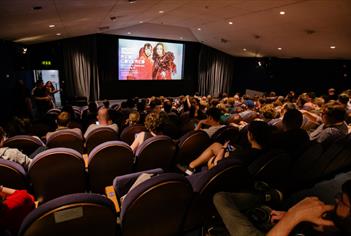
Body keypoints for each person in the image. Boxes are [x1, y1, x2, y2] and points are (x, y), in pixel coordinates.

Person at [213, 179, 351, 236]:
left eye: (342, 201)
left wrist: (292, 218)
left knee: (220, 198)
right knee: (265, 211)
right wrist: (297, 218)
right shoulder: (341, 222)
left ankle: (267, 195)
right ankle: (267, 196)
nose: (336, 199)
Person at [181, 120, 272, 175]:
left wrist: (223, 149)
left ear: (251, 136)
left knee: (216, 150)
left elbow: (216, 165)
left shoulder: (242, 156)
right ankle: (191, 166)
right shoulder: (268, 152)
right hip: (239, 156)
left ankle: (191, 167)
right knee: (217, 145)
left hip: (225, 167)